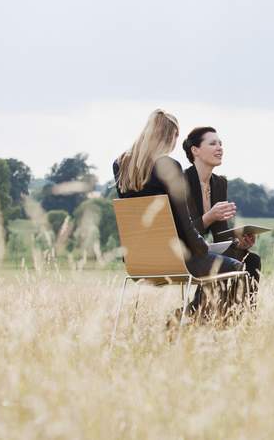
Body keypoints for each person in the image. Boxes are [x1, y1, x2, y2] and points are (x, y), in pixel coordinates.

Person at [112, 109, 243, 318]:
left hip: (138, 261)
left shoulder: (121, 165)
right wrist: (202, 246)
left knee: (220, 262)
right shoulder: (168, 166)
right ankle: (203, 325)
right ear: (168, 136)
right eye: (175, 137)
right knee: (235, 268)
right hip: (174, 260)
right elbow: (183, 224)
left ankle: (188, 319)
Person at [182, 126, 262, 303]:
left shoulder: (219, 184)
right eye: (212, 143)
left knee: (252, 259)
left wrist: (238, 242)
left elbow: (220, 235)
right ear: (195, 150)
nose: (219, 148)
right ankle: (197, 312)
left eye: (220, 143)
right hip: (183, 252)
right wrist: (209, 217)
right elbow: (181, 232)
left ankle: (241, 317)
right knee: (225, 261)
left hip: (205, 250)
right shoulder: (181, 182)